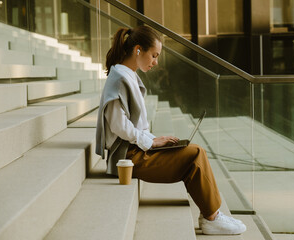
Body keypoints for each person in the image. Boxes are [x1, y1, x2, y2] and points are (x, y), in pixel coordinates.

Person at [95, 25, 246, 235]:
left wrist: (155, 139)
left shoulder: (126, 75)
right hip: (128, 159)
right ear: (138, 50)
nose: (156, 62)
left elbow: (132, 125)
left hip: (135, 151)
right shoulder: (119, 78)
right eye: (154, 55)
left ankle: (212, 215)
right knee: (194, 154)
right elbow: (118, 125)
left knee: (195, 150)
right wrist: (151, 142)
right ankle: (212, 218)